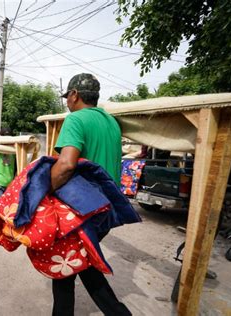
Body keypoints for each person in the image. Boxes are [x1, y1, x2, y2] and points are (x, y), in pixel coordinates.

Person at [50, 73, 131, 315]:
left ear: (74, 94)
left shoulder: (75, 119)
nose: (67, 102)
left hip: (82, 210)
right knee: (82, 265)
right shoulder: (111, 123)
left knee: (65, 270)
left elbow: (65, 165)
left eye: (68, 96)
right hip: (106, 210)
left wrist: (46, 190)